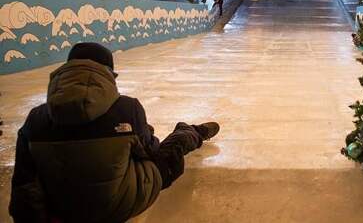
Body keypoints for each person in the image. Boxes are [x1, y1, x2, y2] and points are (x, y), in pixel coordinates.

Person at [8, 43, 220, 223]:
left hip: (61, 211)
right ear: (108, 73)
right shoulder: (127, 108)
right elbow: (154, 155)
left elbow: (24, 184)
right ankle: (192, 132)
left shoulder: (36, 117)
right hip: (119, 206)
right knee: (170, 147)